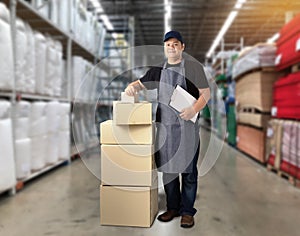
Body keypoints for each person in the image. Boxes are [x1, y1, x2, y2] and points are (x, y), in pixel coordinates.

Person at [125, 30, 210, 228]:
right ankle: (173, 208)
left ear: (182, 47)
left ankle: (187, 211)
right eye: (168, 44)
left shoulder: (192, 67)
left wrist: (193, 109)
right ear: (164, 47)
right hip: (165, 129)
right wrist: (131, 88)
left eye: (175, 44)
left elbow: (206, 94)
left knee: (188, 172)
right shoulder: (157, 71)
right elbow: (138, 85)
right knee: (169, 171)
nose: (171, 47)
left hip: (187, 128)